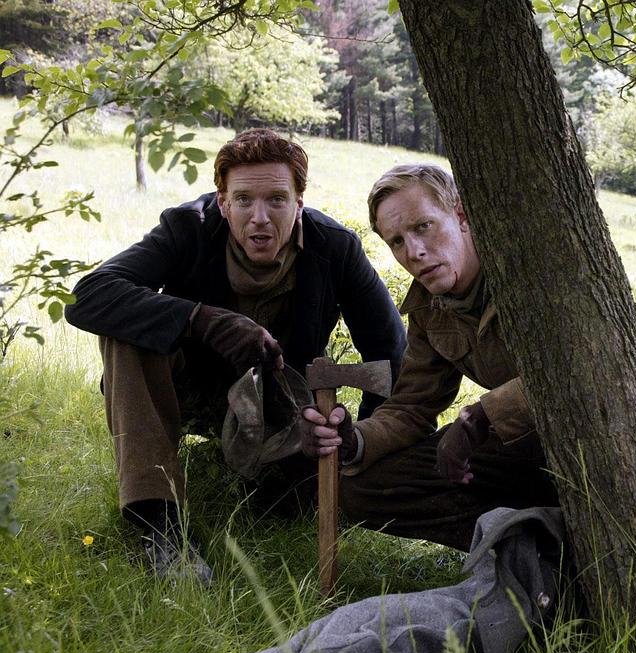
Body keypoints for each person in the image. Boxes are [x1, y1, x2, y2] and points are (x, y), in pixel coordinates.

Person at [65, 129, 406, 582]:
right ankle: (159, 524)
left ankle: (267, 471)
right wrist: (202, 320)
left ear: (299, 203)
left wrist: (362, 446)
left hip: (281, 402)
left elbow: (389, 350)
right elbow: (87, 297)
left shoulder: (333, 247)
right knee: (127, 333)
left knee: (293, 504)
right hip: (191, 388)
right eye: (244, 200)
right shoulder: (186, 228)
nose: (259, 218)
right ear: (223, 203)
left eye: (277, 200)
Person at [300, 163, 558, 551]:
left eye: (423, 227)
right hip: (516, 447)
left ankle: (567, 544)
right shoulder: (428, 307)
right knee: (363, 489)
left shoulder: (529, 273)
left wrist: (481, 417)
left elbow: (574, 377)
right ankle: (527, 549)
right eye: (397, 241)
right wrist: (354, 441)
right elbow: (412, 406)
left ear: (462, 214)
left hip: (582, 444)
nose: (414, 252)